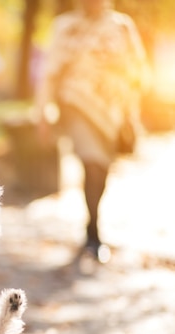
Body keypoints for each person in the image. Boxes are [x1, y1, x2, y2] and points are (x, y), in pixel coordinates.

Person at [36, 0, 148, 264]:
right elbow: (49, 72)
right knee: (91, 162)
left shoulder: (121, 26)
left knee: (102, 169)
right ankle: (94, 234)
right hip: (76, 107)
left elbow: (137, 70)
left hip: (112, 111)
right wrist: (43, 113)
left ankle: (93, 225)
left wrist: (131, 112)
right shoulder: (65, 27)